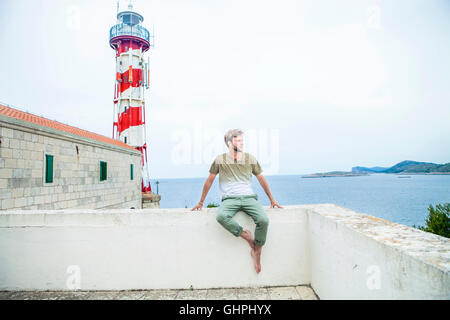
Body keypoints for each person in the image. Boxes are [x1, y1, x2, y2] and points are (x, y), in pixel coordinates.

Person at [191, 129, 283, 273]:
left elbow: (261, 179)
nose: (241, 143)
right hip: (229, 199)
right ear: (229, 143)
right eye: (238, 140)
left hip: (249, 198)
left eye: (242, 140)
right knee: (221, 216)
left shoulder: (250, 159)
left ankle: (257, 251)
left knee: (263, 220)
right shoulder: (219, 160)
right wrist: (201, 202)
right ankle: (245, 235)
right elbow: (209, 181)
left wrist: (272, 199)